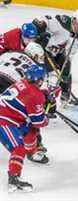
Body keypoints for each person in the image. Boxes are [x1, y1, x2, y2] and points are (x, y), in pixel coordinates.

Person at [0, 64, 50, 192]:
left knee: (31, 129)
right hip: (4, 120)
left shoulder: (22, 83)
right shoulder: (35, 95)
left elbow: (28, 96)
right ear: (39, 80)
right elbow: (39, 121)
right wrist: (46, 117)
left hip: (11, 117)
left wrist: (43, 96)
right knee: (18, 148)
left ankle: (32, 153)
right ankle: (14, 178)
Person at [32, 8, 78, 103]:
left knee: (66, 70)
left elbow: (69, 54)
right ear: (74, 20)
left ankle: (65, 97)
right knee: (53, 75)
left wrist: (65, 64)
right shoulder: (64, 22)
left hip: (57, 53)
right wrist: (39, 29)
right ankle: (48, 101)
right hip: (44, 50)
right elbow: (43, 20)